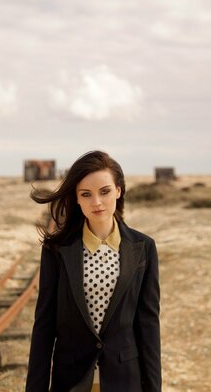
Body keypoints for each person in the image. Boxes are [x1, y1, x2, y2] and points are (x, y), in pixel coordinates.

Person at [25, 150, 161, 392]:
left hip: (125, 381)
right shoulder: (57, 250)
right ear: (76, 199)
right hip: (71, 381)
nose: (96, 202)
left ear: (119, 190)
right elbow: (44, 326)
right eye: (86, 194)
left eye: (105, 191)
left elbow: (148, 326)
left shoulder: (144, 248)